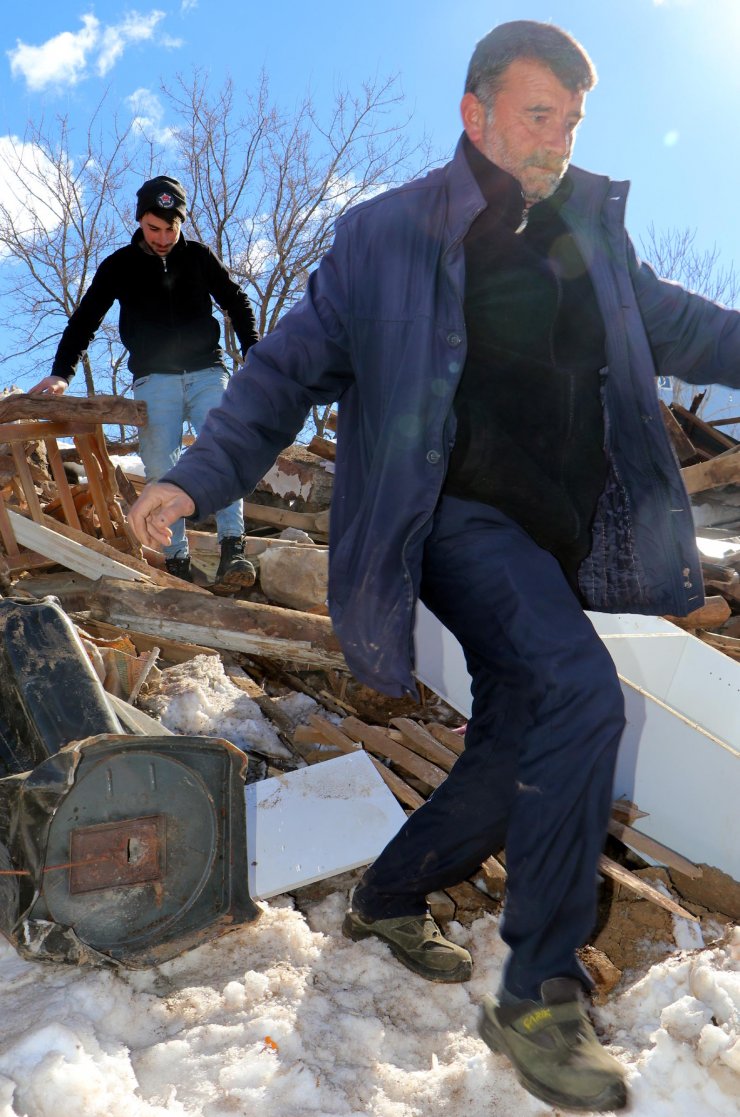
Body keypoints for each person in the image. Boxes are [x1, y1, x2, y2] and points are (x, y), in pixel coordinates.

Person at [127, 21, 740, 1111]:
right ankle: (538, 993)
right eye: (535, 114)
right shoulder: (389, 234)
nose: (555, 139)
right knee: (578, 698)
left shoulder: (591, 240)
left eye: (570, 121)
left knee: (518, 741)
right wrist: (196, 476)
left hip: (545, 542)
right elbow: (283, 368)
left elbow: (685, 327)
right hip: (448, 513)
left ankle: (389, 892)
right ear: (475, 112)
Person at [29, 175, 260, 594]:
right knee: (160, 465)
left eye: (171, 229)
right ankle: (177, 560)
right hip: (155, 380)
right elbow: (86, 318)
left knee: (224, 450)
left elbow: (237, 300)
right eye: (154, 228)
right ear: (140, 221)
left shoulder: (199, 257)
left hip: (209, 371)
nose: (163, 238)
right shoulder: (119, 265)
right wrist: (62, 372)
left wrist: (254, 351)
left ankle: (233, 549)